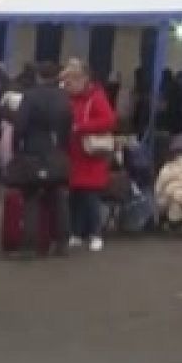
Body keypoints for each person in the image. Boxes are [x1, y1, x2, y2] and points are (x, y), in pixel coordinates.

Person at [11, 61, 73, 258]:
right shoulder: (64, 97)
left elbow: (20, 125)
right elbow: (69, 124)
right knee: (58, 197)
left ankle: (30, 246)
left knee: (31, 199)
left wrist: (16, 147)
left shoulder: (30, 96)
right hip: (57, 152)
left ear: (38, 75)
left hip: (33, 151)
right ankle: (61, 242)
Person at [62, 60, 118, 252]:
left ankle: (96, 234)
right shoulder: (68, 98)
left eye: (71, 80)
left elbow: (109, 120)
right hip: (73, 154)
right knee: (75, 197)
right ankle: (76, 233)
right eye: (66, 80)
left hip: (91, 156)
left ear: (84, 79)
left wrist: (81, 128)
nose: (68, 84)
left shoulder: (96, 97)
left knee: (90, 198)